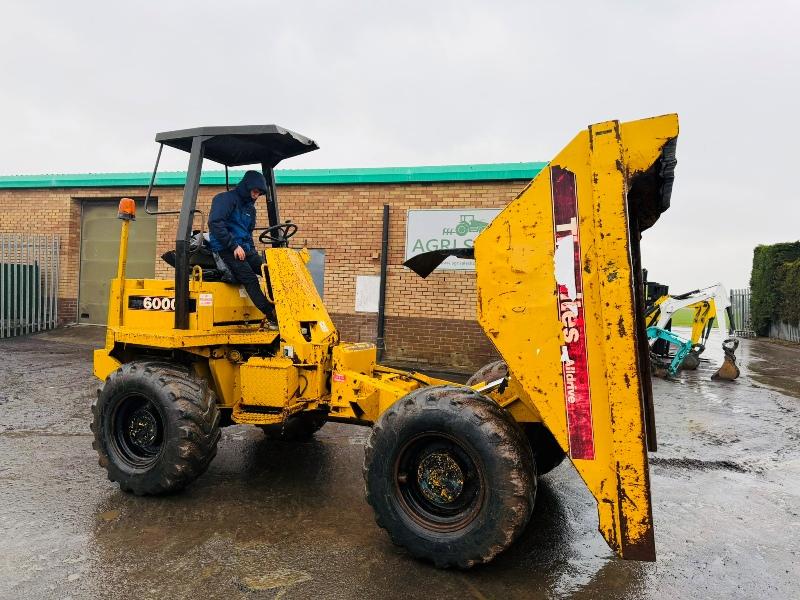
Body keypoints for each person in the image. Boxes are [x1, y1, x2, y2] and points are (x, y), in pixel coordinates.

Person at [208, 170, 277, 326]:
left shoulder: (250, 209)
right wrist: (233, 246)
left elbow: (248, 233)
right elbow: (215, 223)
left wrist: (251, 250)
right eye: (255, 191)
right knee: (250, 279)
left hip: (244, 248)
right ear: (247, 186)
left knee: (270, 272)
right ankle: (272, 314)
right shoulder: (225, 199)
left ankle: (284, 307)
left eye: (259, 193)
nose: (256, 195)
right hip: (225, 248)